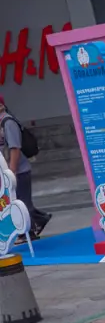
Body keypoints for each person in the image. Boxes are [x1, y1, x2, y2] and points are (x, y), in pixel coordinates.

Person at [0, 97, 51, 237]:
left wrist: (12, 172)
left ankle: (29, 232)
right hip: (9, 172)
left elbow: (15, 148)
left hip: (18, 171)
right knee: (19, 203)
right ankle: (39, 221)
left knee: (21, 204)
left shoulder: (8, 123)